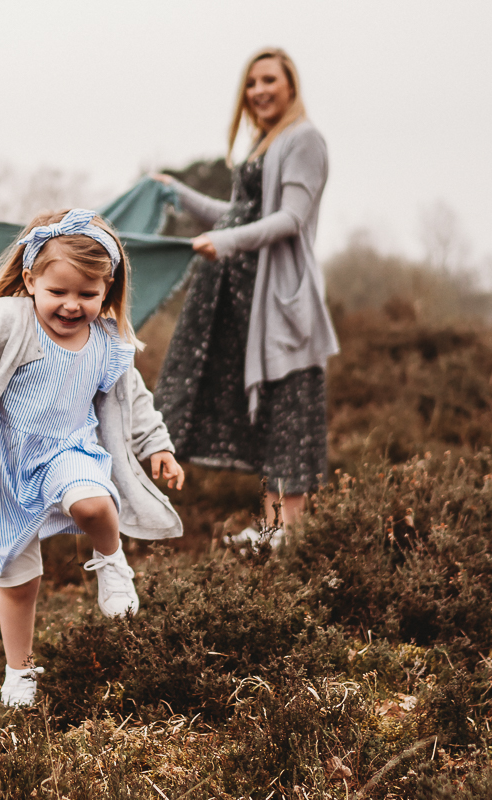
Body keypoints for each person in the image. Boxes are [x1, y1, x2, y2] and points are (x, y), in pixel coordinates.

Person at [0, 209, 185, 708]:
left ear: (108, 289)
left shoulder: (108, 339)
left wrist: (158, 447)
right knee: (18, 579)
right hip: (5, 467)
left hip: (70, 450)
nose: (71, 305)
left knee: (93, 505)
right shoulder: (6, 319)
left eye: (87, 294)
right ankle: (19, 672)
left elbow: (135, 399)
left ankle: (111, 561)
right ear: (30, 278)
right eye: (58, 292)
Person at [152, 47, 337, 539]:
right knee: (271, 417)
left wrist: (227, 242)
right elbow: (237, 215)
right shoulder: (265, 142)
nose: (258, 91)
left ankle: (288, 535)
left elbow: (289, 219)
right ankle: (274, 528)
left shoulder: (305, 139)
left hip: (281, 301)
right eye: (252, 83)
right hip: (249, 300)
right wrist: (179, 192)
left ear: (291, 85)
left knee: (291, 412)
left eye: (269, 80)